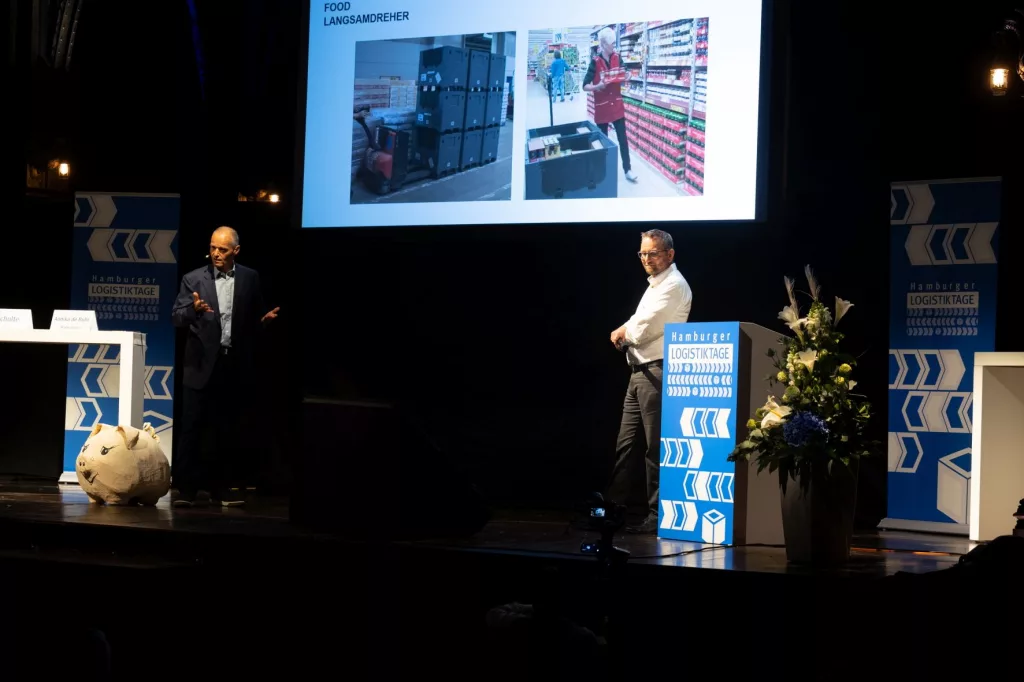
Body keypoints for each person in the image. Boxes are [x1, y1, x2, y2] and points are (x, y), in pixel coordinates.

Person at [170, 226, 279, 507]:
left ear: (236, 251)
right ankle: (186, 490)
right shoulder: (193, 278)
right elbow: (177, 317)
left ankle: (220, 489)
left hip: (233, 363)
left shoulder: (250, 278)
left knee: (226, 428)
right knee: (192, 427)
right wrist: (193, 310)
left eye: (222, 249)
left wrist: (263, 323)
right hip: (200, 364)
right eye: (213, 248)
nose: (216, 254)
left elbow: (253, 317)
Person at [608, 230, 692, 533]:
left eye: (653, 253)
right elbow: (637, 318)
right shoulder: (655, 285)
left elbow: (644, 329)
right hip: (638, 372)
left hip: (657, 371)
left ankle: (657, 516)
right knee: (625, 446)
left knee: (654, 448)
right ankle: (613, 511)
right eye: (642, 254)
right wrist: (624, 328)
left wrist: (623, 334)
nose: (647, 259)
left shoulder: (674, 285)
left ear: (670, 254)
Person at [583, 27, 638, 183]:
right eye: (612, 43)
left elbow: (625, 72)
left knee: (623, 140)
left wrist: (627, 76)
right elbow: (585, 85)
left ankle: (627, 169)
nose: (614, 45)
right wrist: (597, 86)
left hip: (617, 106)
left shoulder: (617, 58)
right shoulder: (595, 62)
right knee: (603, 142)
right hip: (602, 107)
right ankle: (603, 172)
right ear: (603, 44)